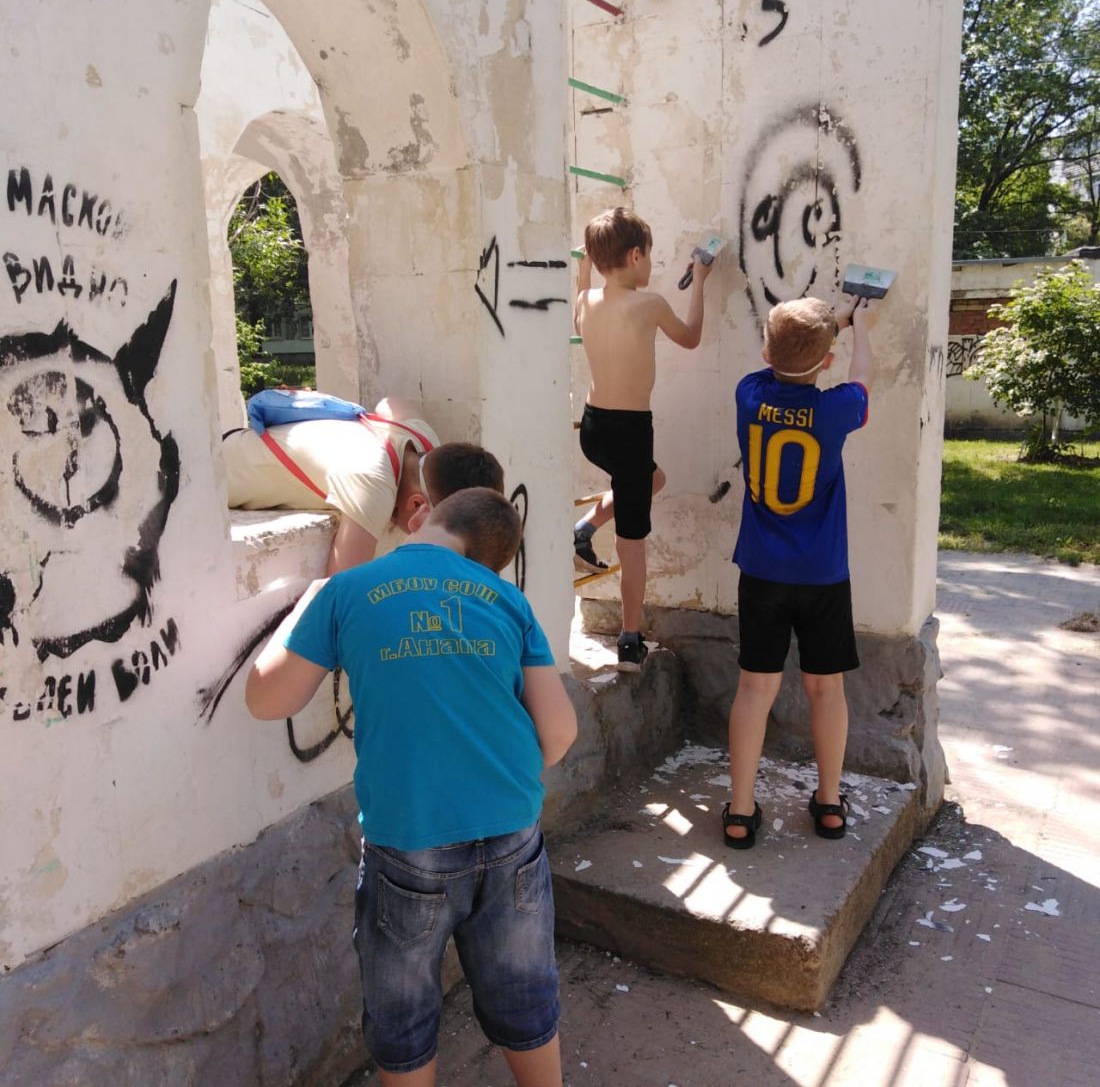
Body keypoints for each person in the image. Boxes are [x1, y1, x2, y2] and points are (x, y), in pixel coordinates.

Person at [245, 488, 577, 1087]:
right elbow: (559, 734)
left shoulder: (346, 591)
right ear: (485, 563)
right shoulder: (507, 598)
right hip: (512, 831)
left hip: (409, 841)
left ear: (425, 514)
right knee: (525, 995)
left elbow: (266, 700)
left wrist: (308, 603)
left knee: (403, 1018)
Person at [723, 293, 879, 849]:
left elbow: (786, 361)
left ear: (766, 350)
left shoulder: (749, 394)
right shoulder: (837, 408)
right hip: (822, 574)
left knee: (754, 688)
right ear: (827, 362)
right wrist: (856, 327)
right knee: (825, 687)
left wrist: (820, 326)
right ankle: (830, 802)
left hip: (762, 571)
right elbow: (864, 378)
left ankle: (740, 811)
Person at [572, 207, 713, 670]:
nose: (650, 265)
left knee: (653, 481)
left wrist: (583, 270)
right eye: (649, 256)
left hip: (594, 428)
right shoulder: (649, 303)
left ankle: (585, 528)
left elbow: (580, 304)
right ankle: (630, 640)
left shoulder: (585, 302)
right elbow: (690, 338)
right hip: (630, 433)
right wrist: (702, 280)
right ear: (635, 256)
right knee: (633, 545)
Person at [223, 394, 503, 574]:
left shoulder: (423, 441)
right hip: (216, 474)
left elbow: (390, 401)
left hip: (239, 440)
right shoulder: (372, 485)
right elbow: (344, 588)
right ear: (417, 505)